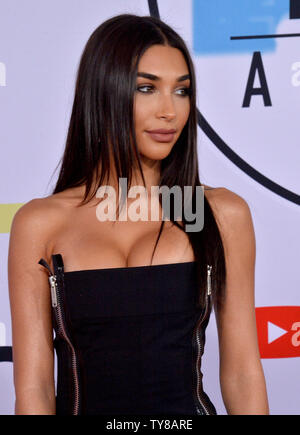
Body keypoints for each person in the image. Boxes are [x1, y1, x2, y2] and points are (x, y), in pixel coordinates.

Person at [7, 13, 269, 415]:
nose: (170, 111)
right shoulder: (40, 223)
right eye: (147, 88)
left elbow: (242, 374)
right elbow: (35, 389)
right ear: (104, 92)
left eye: (181, 92)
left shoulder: (218, 213)